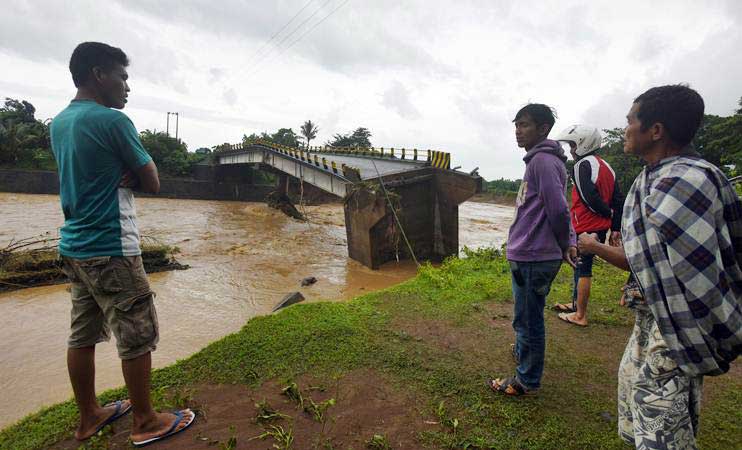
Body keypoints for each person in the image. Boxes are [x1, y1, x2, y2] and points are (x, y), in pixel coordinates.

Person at [577, 84, 742, 448]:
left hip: (681, 322)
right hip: (654, 314)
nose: (624, 129)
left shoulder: (686, 181)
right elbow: (654, 260)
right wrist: (640, 286)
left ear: (656, 130)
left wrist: (593, 245)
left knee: (660, 409)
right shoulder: (652, 178)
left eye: (630, 121)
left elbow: (691, 270)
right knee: (635, 386)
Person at [50, 42, 195, 445]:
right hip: (112, 246)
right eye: (123, 76)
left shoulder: (59, 123)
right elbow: (152, 181)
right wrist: (133, 171)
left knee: (82, 333)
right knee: (135, 331)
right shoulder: (113, 121)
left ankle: (89, 416)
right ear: (99, 74)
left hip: (75, 246)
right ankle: (146, 422)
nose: (127, 86)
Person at [488, 103, 577, 396]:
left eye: (524, 125)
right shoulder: (539, 161)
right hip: (529, 253)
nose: (518, 131)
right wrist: (569, 242)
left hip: (533, 255)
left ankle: (525, 379)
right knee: (525, 315)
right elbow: (558, 207)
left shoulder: (543, 162)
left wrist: (567, 244)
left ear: (543, 129)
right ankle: (524, 354)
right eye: (516, 124)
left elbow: (560, 210)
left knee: (529, 319)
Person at [552, 125, 624, 327]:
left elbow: (588, 196)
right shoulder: (606, 166)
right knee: (580, 265)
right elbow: (618, 199)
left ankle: (580, 314)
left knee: (583, 268)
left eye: (573, 145)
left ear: (584, 144)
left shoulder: (581, 165)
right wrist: (615, 225)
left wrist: (605, 212)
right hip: (600, 226)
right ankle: (576, 304)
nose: (571, 150)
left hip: (586, 224)